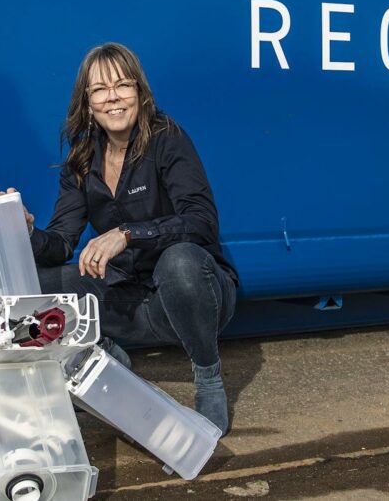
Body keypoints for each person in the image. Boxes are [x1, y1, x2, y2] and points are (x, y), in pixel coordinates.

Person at [17, 41, 238, 435]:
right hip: (130, 299)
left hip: (193, 297)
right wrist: (28, 232)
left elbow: (202, 222)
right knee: (30, 284)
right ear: (87, 103)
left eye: (123, 85)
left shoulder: (168, 138)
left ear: (140, 91)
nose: (113, 98)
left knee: (181, 260)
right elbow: (63, 244)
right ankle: (102, 356)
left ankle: (208, 376)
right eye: (100, 89)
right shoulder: (82, 158)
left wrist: (127, 234)